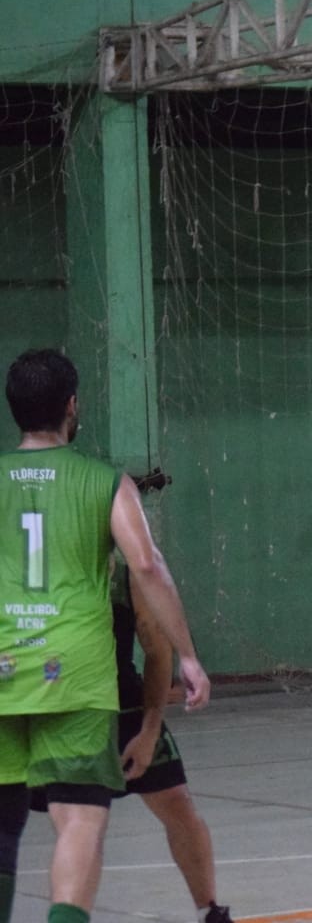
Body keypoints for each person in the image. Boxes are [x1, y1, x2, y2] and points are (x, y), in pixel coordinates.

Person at [0, 349, 211, 923]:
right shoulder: (105, 482)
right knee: (79, 820)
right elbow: (146, 566)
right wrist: (189, 657)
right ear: (72, 406)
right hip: (74, 675)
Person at [29, 478, 232, 923]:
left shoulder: (126, 578)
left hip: (123, 709)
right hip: (57, 712)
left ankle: (211, 912)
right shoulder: (39, 578)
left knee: (177, 803)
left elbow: (157, 652)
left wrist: (150, 728)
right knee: (78, 826)